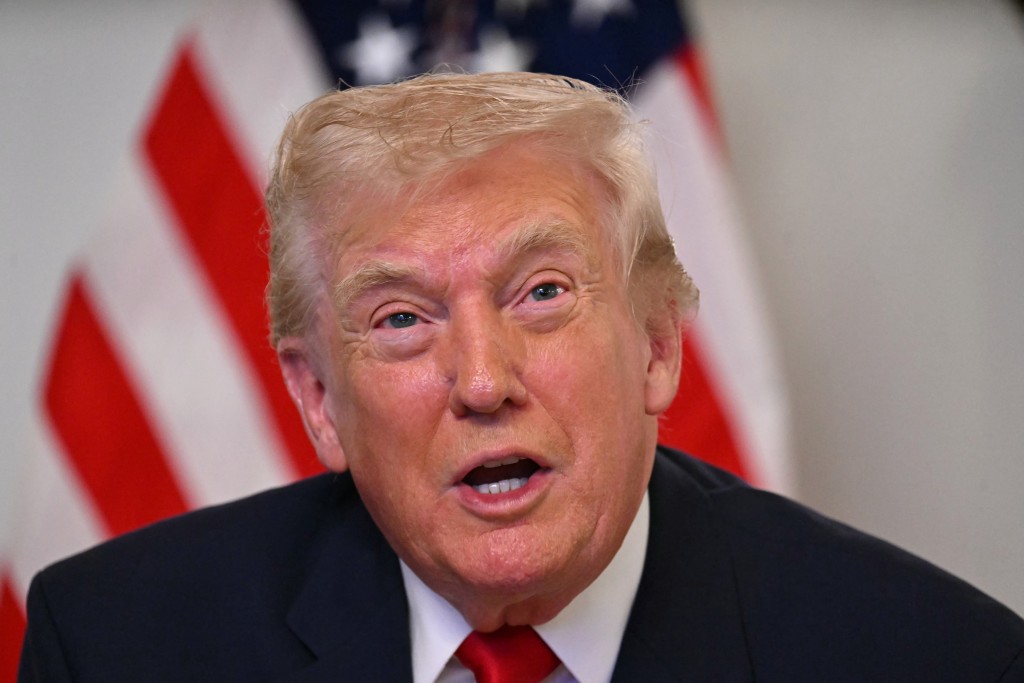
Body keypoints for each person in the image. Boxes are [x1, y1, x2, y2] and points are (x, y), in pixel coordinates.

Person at [18, 72, 1024, 682]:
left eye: (540, 292)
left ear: (658, 340)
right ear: (319, 399)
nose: (484, 379)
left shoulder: (928, 658)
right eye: (402, 317)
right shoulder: (119, 644)